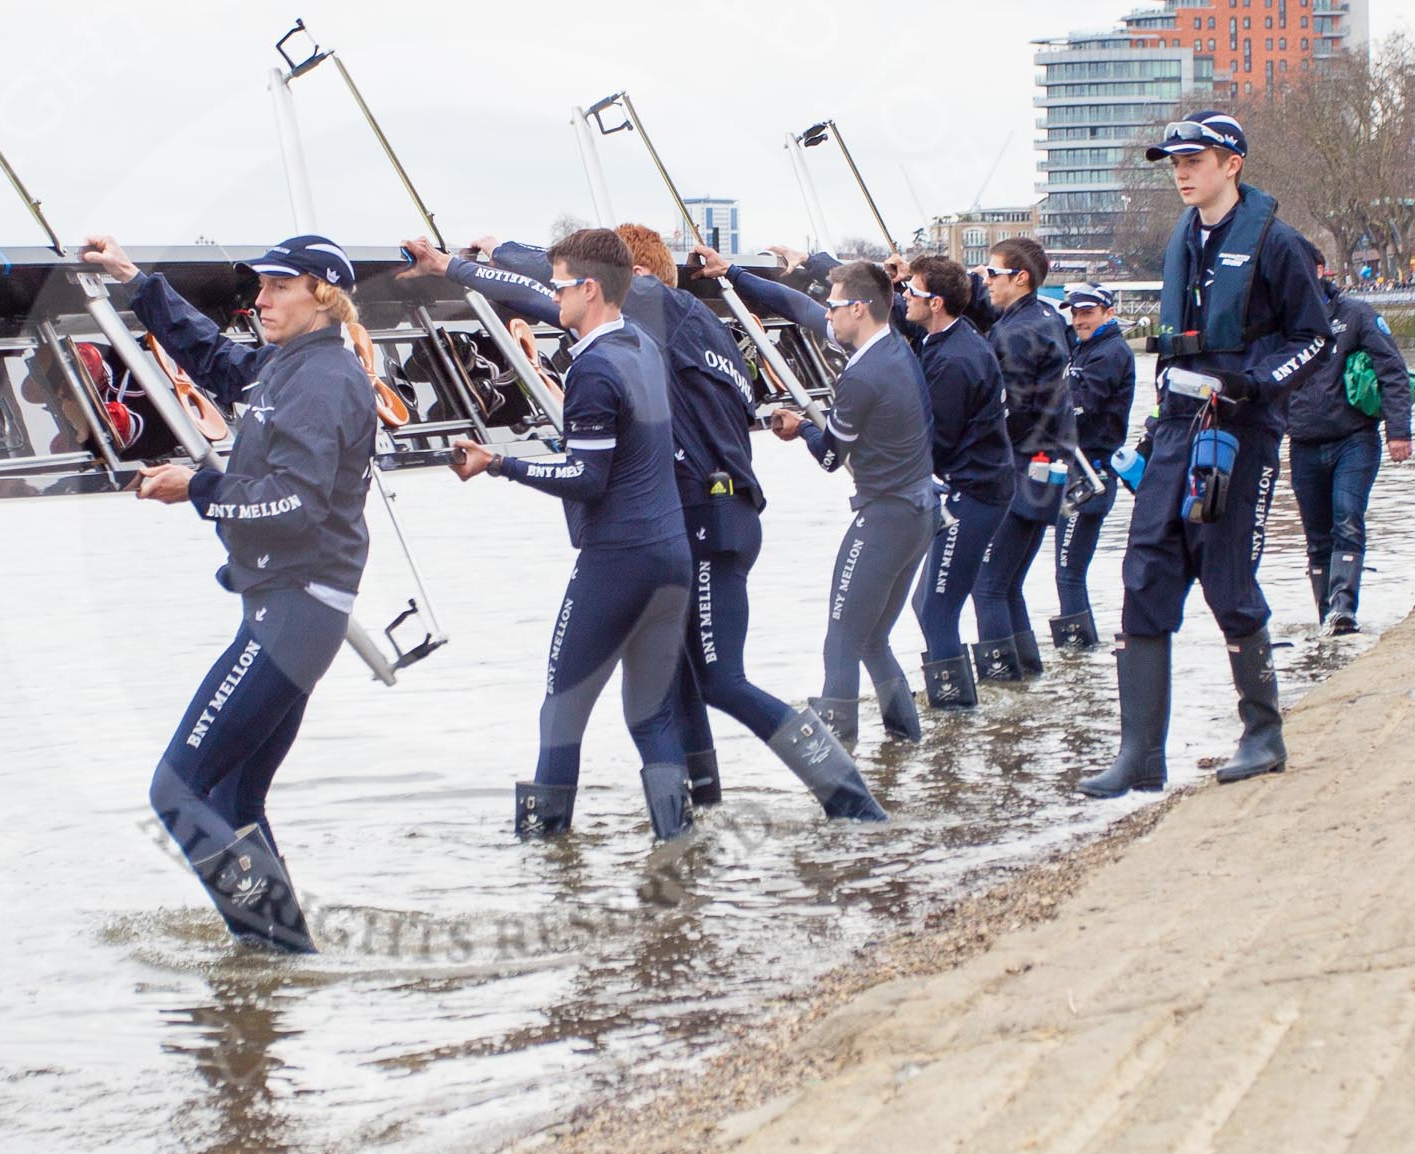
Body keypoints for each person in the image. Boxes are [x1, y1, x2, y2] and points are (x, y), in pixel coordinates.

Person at [416, 229, 883, 818]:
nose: (562, 292)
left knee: (720, 679)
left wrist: (466, 262)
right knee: (678, 682)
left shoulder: (649, 311)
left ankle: (848, 796)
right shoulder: (698, 328)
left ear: (635, 277)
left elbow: (543, 287)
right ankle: (699, 813)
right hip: (717, 515)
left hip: (706, 522)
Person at [80, 234, 376, 954]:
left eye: (278, 287)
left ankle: (278, 952)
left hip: (297, 608)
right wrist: (137, 282)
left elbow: (296, 505)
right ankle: (283, 962)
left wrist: (198, 488)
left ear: (323, 296)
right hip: (292, 608)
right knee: (233, 797)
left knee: (175, 792)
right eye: (260, 286)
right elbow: (213, 356)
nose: (259, 300)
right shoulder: (286, 364)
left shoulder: (323, 380)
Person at [1080, 110, 1331, 799]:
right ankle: (1140, 754)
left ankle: (1263, 733)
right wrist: (1154, 428)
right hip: (1173, 429)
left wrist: (1257, 383)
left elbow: (1315, 339)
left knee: (1227, 578)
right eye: (1176, 163)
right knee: (1144, 573)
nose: (1182, 173)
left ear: (1231, 164)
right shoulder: (1182, 240)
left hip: (1239, 431)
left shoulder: (1277, 243)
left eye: (1194, 161)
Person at [448, 228, 701, 840]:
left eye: (560, 286)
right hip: (670, 553)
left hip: (617, 560)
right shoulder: (642, 346)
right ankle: (680, 848)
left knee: (561, 712)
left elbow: (586, 478)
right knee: (650, 716)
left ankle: (544, 855)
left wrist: (499, 463)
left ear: (590, 289)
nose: (553, 296)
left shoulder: (593, 368)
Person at [761, 260, 938, 752]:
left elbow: (829, 458)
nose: (827, 314)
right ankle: (906, 745)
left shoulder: (861, 377)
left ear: (858, 309)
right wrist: (731, 275)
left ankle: (835, 759)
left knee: (840, 640)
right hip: (920, 512)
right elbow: (800, 308)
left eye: (834, 306)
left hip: (885, 519)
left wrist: (801, 428)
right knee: (873, 639)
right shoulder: (895, 345)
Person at [901, 255, 1012, 709]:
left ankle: (955, 713)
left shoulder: (954, 361)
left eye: (912, 292)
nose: (904, 297)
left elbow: (936, 443)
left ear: (936, 303)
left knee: (936, 609)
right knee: (924, 604)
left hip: (973, 492)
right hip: (975, 484)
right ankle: (969, 700)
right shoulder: (948, 336)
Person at [969, 237, 1077, 682]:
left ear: (1021, 278)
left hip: (1022, 468)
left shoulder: (1016, 333)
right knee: (1008, 583)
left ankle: (1003, 684)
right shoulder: (1046, 317)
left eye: (992, 274)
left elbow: (1012, 410)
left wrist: (977, 454)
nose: (986, 282)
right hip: (1048, 466)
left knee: (987, 586)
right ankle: (1028, 675)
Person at [1284, 273, 1415, 633]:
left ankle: (1343, 609)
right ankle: (1325, 616)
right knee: (1316, 536)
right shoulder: (1281, 322)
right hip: (1303, 442)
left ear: (1319, 271)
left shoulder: (1356, 314)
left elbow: (1393, 371)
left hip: (1354, 439)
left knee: (1347, 517)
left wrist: (1398, 432)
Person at [1051, 282, 1136, 648]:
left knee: (1068, 573)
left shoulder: (1110, 352)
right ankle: (1080, 661)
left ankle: (1079, 650)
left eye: (1087, 313)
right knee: (1068, 573)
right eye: (1075, 313)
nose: (1079, 320)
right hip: (1078, 471)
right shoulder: (1084, 347)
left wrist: (1041, 411)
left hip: (1093, 474)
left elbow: (1083, 406)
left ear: (1108, 313)